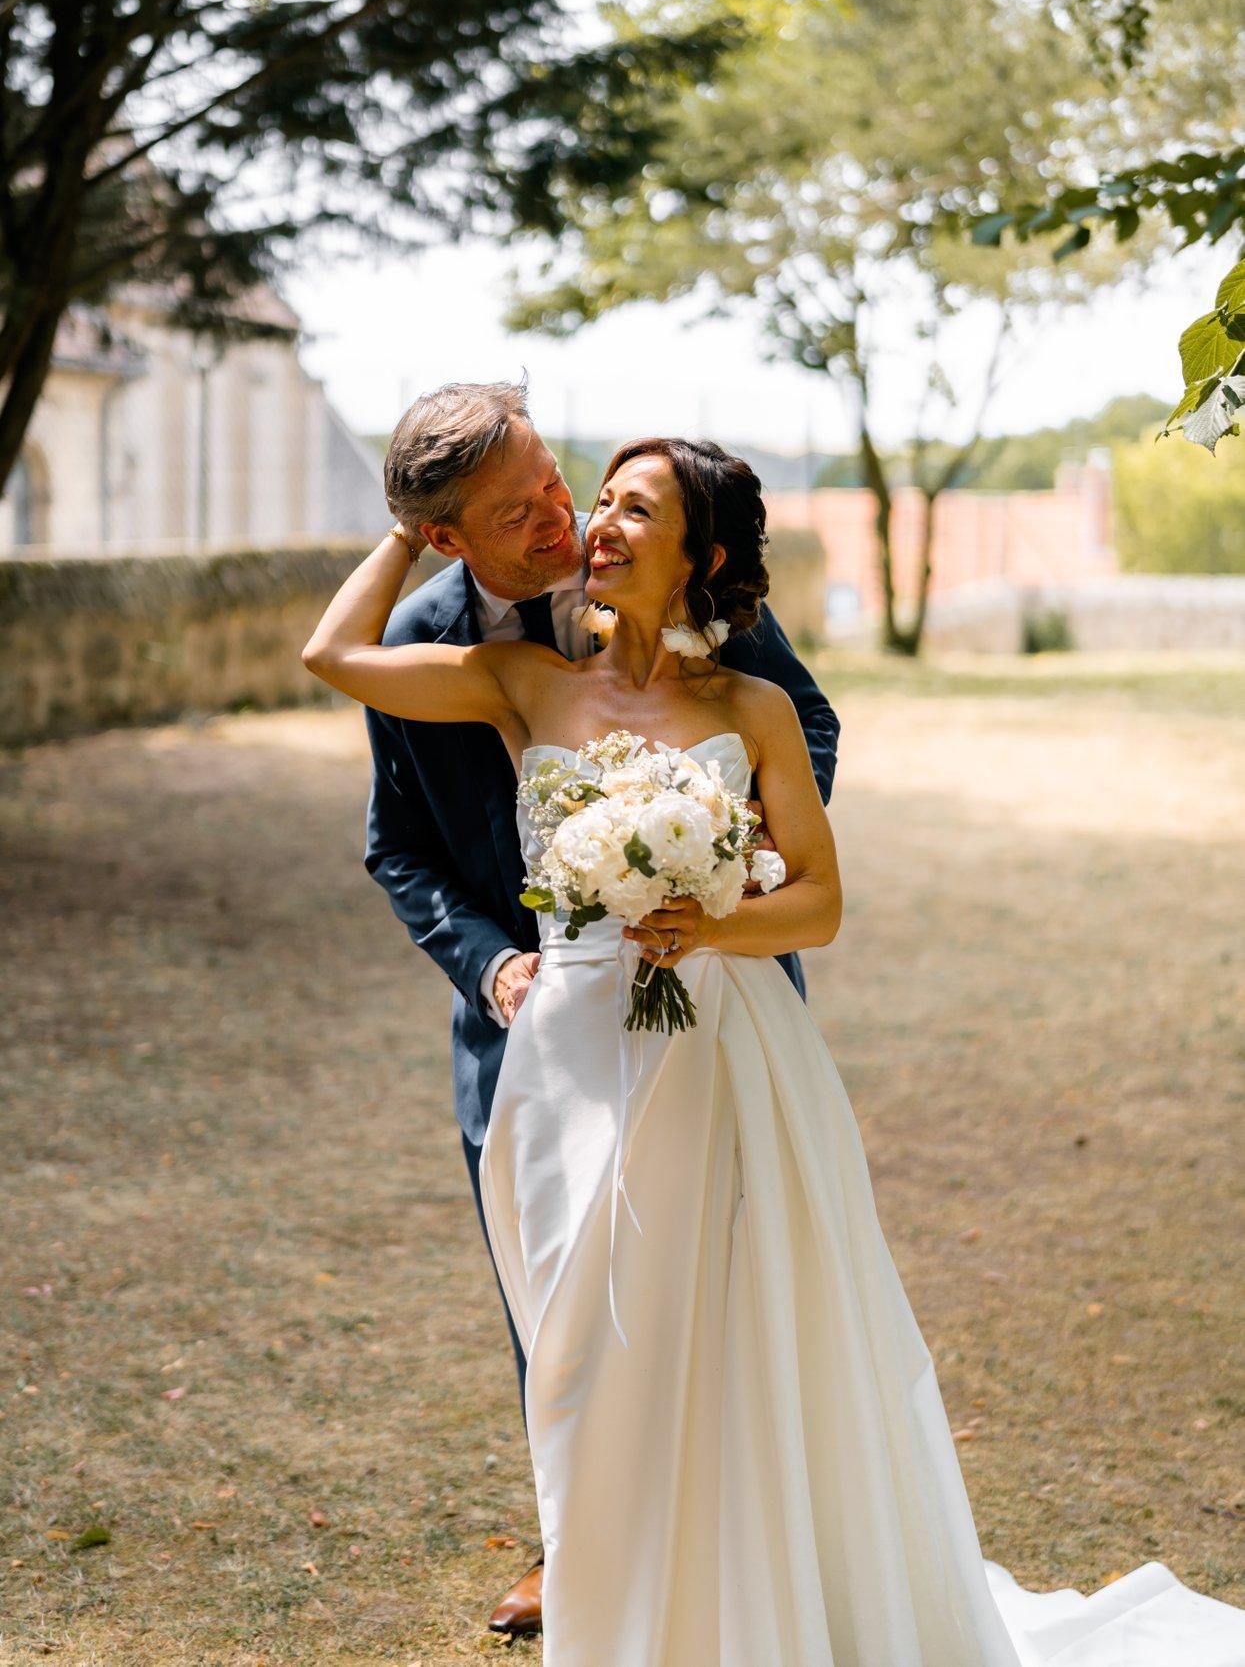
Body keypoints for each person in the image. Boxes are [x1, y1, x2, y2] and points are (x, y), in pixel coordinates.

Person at [303, 428, 1245, 1665]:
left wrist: (713, 908)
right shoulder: (515, 677)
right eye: (599, 501)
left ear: (700, 554)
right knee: (582, 1340)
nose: (594, 522)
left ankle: (738, 1604)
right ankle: (615, 1604)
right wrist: (405, 522)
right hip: (561, 1059)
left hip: (713, 1045)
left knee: (720, 1328)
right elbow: (333, 657)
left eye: (635, 510)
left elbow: (824, 902)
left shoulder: (750, 706)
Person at [356, 381, 840, 1635]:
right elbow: (396, 845)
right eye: (521, 508)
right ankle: (580, 1544)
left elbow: (804, 730)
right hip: (538, 1018)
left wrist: (718, 856)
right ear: (451, 537)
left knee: (720, 1270)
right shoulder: (435, 636)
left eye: (556, 477)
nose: (565, 515)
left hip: (709, 983)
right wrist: (490, 964)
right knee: (561, 1290)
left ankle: (735, 1535)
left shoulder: (670, 575)